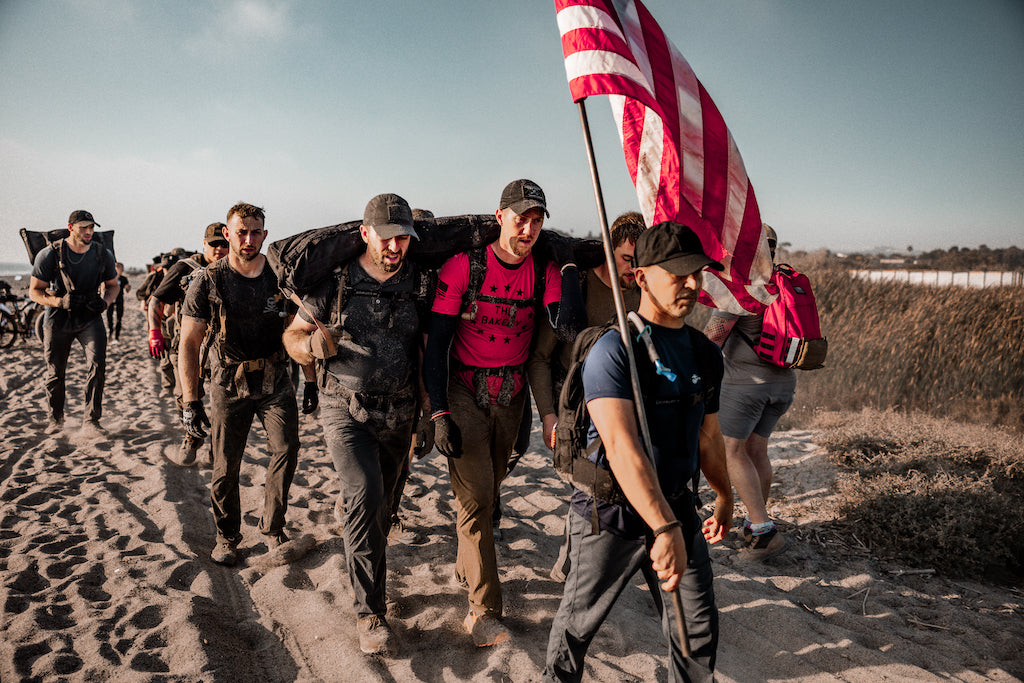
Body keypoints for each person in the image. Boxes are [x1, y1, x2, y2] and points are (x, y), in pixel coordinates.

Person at [543, 221, 733, 683]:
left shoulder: (705, 354)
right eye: (678, 273)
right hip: (611, 513)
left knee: (696, 627)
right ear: (641, 275)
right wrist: (662, 524)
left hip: (678, 508)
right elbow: (622, 446)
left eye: (698, 273)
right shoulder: (613, 350)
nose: (692, 284)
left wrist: (724, 496)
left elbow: (708, 437)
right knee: (577, 627)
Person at [423, 179, 581, 647]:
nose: (528, 228)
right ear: (499, 216)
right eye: (521, 218)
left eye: (537, 221)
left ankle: (467, 566)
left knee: (491, 493)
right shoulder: (463, 267)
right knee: (474, 503)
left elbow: (567, 324)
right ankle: (483, 612)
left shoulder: (544, 272)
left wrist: (568, 263)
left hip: (512, 396)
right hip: (465, 389)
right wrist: (438, 413)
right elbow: (436, 347)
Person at [283, 193, 429, 656]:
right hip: (345, 408)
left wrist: (429, 410)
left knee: (379, 507)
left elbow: (426, 348)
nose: (395, 247)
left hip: (401, 412)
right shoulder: (336, 282)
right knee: (365, 493)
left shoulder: (419, 283)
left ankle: (357, 530)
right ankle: (370, 613)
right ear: (365, 234)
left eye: (403, 238)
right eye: (387, 237)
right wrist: (310, 350)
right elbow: (292, 334)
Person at [177, 202, 302, 567]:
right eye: (241, 232)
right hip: (227, 382)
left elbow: (301, 325)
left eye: (255, 232)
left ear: (265, 234)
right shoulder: (208, 280)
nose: (248, 240)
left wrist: (309, 381)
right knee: (225, 465)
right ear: (227, 234)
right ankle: (227, 537)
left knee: (287, 449)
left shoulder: (280, 276)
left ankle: (273, 528)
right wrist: (190, 402)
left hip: (275, 378)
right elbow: (189, 342)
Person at [526, 210, 646, 581]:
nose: (634, 268)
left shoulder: (642, 293)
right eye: (627, 258)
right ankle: (571, 563)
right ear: (608, 249)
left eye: (641, 260)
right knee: (587, 481)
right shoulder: (576, 283)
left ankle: (578, 561)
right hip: (571, 401)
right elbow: (541, 357)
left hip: (619, 402)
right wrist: (548, 414)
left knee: (604, 482)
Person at [702, 224, 790, 560]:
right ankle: (757, 525)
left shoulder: (742, 290)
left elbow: (711, 340)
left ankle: (763, 533)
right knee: (757, 451)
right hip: (782, 384)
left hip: (747, 386)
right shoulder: (783, 284)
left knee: (731, 451)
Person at [29, 210, 120, 434]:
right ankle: (56, 420)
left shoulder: (102, 253)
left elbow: (113, 285)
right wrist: (59, 302)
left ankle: (91, 421)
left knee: (97, 365)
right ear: (71, 227)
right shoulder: (49, 254)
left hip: (90, 316)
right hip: (58, 318)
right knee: (55, 372)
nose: (89, 232)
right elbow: (34, 292)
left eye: (92, 228)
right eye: (83, 228)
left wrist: (106, 303)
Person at [148, 222, 230, 465]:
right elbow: (156, 300)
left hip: (221, 350)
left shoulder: (234, 268)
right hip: (187, 347)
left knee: (222, 401)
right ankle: (191, 438)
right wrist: (154, 332)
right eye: (214, 244)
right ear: (204, 244)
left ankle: (218, 446)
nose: (219, 249)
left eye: (224, 244)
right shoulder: (185, 267)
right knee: (185, 397)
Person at [105, 262, 130, 342]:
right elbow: (104, 287)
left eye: (122, 268)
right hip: (110, 299)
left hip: (119, 300)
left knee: (119, 318)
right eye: (121, 268)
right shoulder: (110, 278)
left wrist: (128, 287)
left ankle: (117, 336)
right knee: (109, 318)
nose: (122, 270)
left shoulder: (123, 278)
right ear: (116, 268)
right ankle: (110, 332)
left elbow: (127, 290)